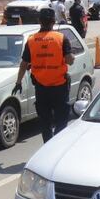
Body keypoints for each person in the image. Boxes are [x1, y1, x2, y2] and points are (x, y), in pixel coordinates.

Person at [13, 8, 75, 143]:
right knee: (62, 120)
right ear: (54, 21)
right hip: (60, 87)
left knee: (45, 122)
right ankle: (57, 145)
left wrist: (18, 82)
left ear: (39, 21)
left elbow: (24, 63)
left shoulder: (31, 40)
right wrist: (71, 56)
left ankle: (48, 146)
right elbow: (69, 60)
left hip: (41, 89)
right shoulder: (61, 38)